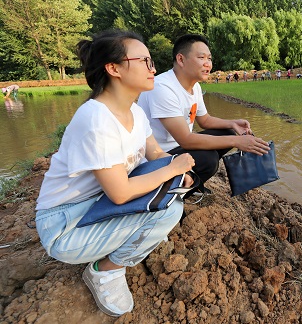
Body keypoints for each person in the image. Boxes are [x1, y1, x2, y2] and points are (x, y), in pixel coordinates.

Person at [35, 30, 195, 317]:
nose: (153, 69)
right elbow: (120, 193)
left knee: (171, 187)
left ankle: (137, 232)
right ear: (113, 68)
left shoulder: (134, 112)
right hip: (64, 226)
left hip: (96, 205)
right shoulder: (96, 118)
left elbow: (156, 155)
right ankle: (105, 270)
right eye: (144, 61)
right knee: (169, 212)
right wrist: (172, 169)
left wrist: (176, 170)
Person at [137, 34, 270, 199]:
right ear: (181, 59)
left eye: (209, 58)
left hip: (177, 148)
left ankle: (194, 182)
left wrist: (233, 124)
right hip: (157, 156)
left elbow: (205, 120)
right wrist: (238, 142)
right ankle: (174, 195)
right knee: (208, 159)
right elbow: (185, 139)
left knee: (228, 132)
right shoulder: (163, 87)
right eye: (201, 58)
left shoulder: (195, 87)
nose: (208, 63)